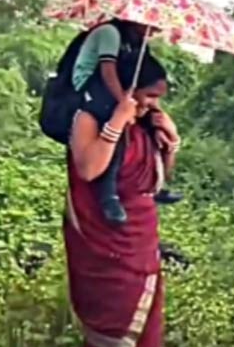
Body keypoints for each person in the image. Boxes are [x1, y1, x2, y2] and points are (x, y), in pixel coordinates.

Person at [43, 55, 180, 347]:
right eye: (149, 95)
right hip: (102, 235)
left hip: (140, 232)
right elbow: (88, 169)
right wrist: (118, 121)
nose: (153, 103)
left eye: (158, 98)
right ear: (127, 86)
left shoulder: (149, 124)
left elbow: (155, 180)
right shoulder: (91, 116)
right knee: (117, 319)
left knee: (146, 325)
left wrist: (171, 143)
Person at [71, 19, 182, 224]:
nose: (155, 29)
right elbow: (108, 71)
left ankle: (158, 190)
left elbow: (161, 167)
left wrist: (172, 138)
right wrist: (121, 108)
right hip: (90, 86)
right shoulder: (109, 33)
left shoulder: (137, 43)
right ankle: (108, 195)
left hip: (142, 228)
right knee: (118, 126)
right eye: (150, 96)